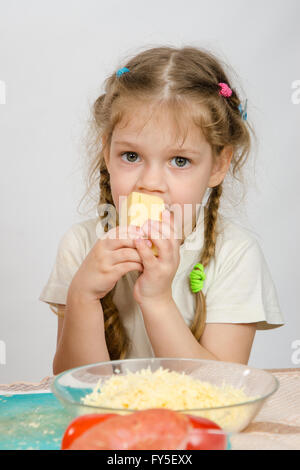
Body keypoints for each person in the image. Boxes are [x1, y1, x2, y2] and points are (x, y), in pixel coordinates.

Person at [39, 46, 285, 375]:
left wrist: (157, 299)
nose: (151, 183)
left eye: (179, 161)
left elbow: (222, 391)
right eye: (131, 156)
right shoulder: (81, 246)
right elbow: (76, 386)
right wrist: (83, 297)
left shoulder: (235, 255)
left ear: (218, 165)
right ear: (107, 153)